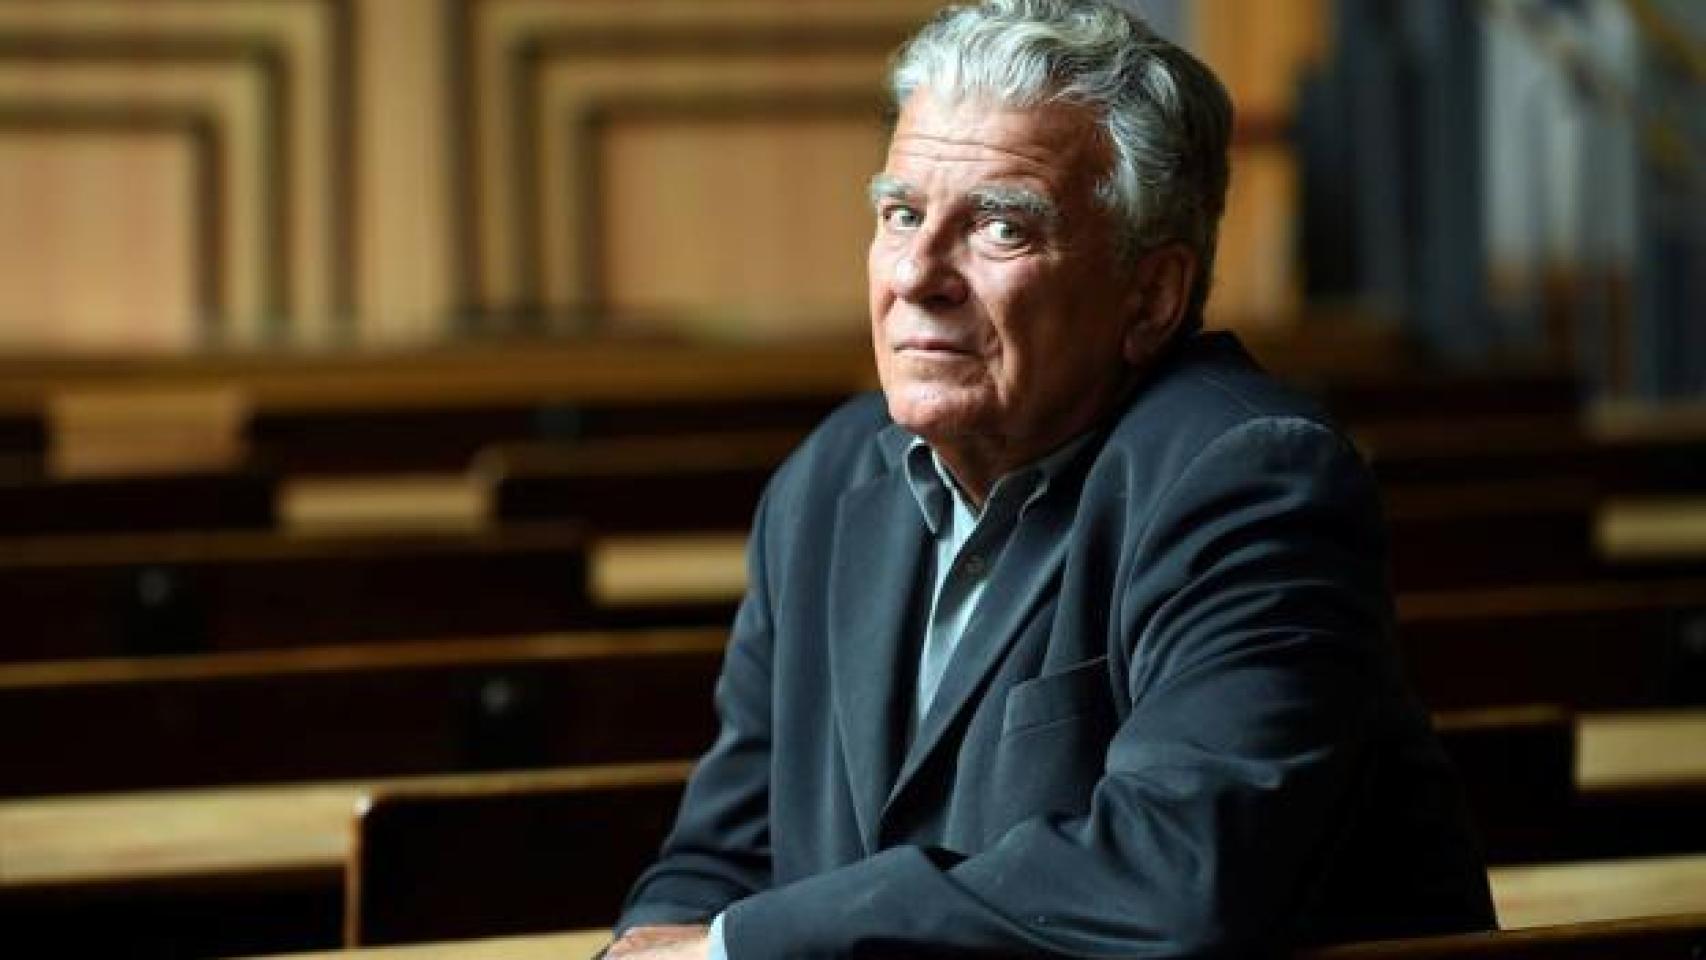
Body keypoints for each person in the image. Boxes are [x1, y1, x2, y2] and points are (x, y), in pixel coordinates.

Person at [608, 1, 1495, 956]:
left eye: (998, 227)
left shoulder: (1250, 477)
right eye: (901, 214)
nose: (916, 275)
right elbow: (726, 852)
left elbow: (1174, 879)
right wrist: (652, 944)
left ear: (1151, 296)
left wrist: (737, 951)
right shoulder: (827, 480)